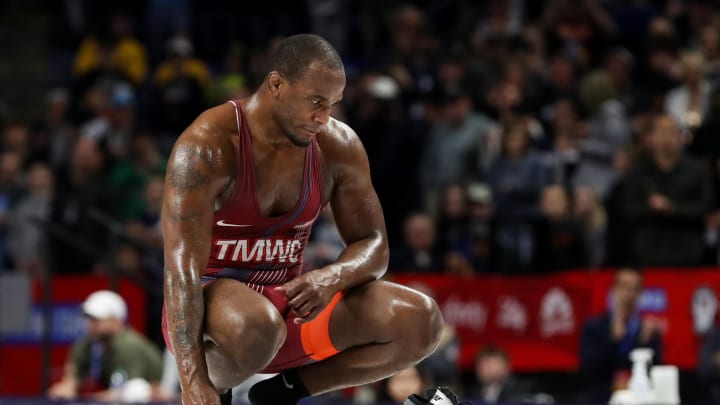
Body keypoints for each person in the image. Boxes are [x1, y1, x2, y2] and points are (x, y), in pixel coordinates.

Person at [161, 34, 448, 405]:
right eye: (316, 102)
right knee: (257, 326)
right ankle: (216, 387)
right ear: (277, 84)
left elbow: (374, 244)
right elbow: (180, 271)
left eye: (332, 104)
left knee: (421, 321)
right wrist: (192, 380)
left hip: (285, 308)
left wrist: (332, 276)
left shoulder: (337, 145)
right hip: (208, 315)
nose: (324, 118)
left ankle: (282, 393)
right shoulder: (207, 145)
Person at [47, 290, 164, 400]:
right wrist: (65, 390)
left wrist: (86, 401)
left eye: (97, 319)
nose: (90, 324)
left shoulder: (129, 346)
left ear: (117, 321)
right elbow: (71, 382)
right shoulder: (85, 345)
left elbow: (127, 393)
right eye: (88, 318)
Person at [579, 268, 662, 402]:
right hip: (602, 399)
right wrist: (612, 340)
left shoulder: (647, 330)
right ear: (614, 290)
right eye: (624, 287)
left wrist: (644, 344)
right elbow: (589, 369)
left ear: (641, 293)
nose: (629, 294)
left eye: (635, 288)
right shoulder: (595, 326)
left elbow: (656, 374)